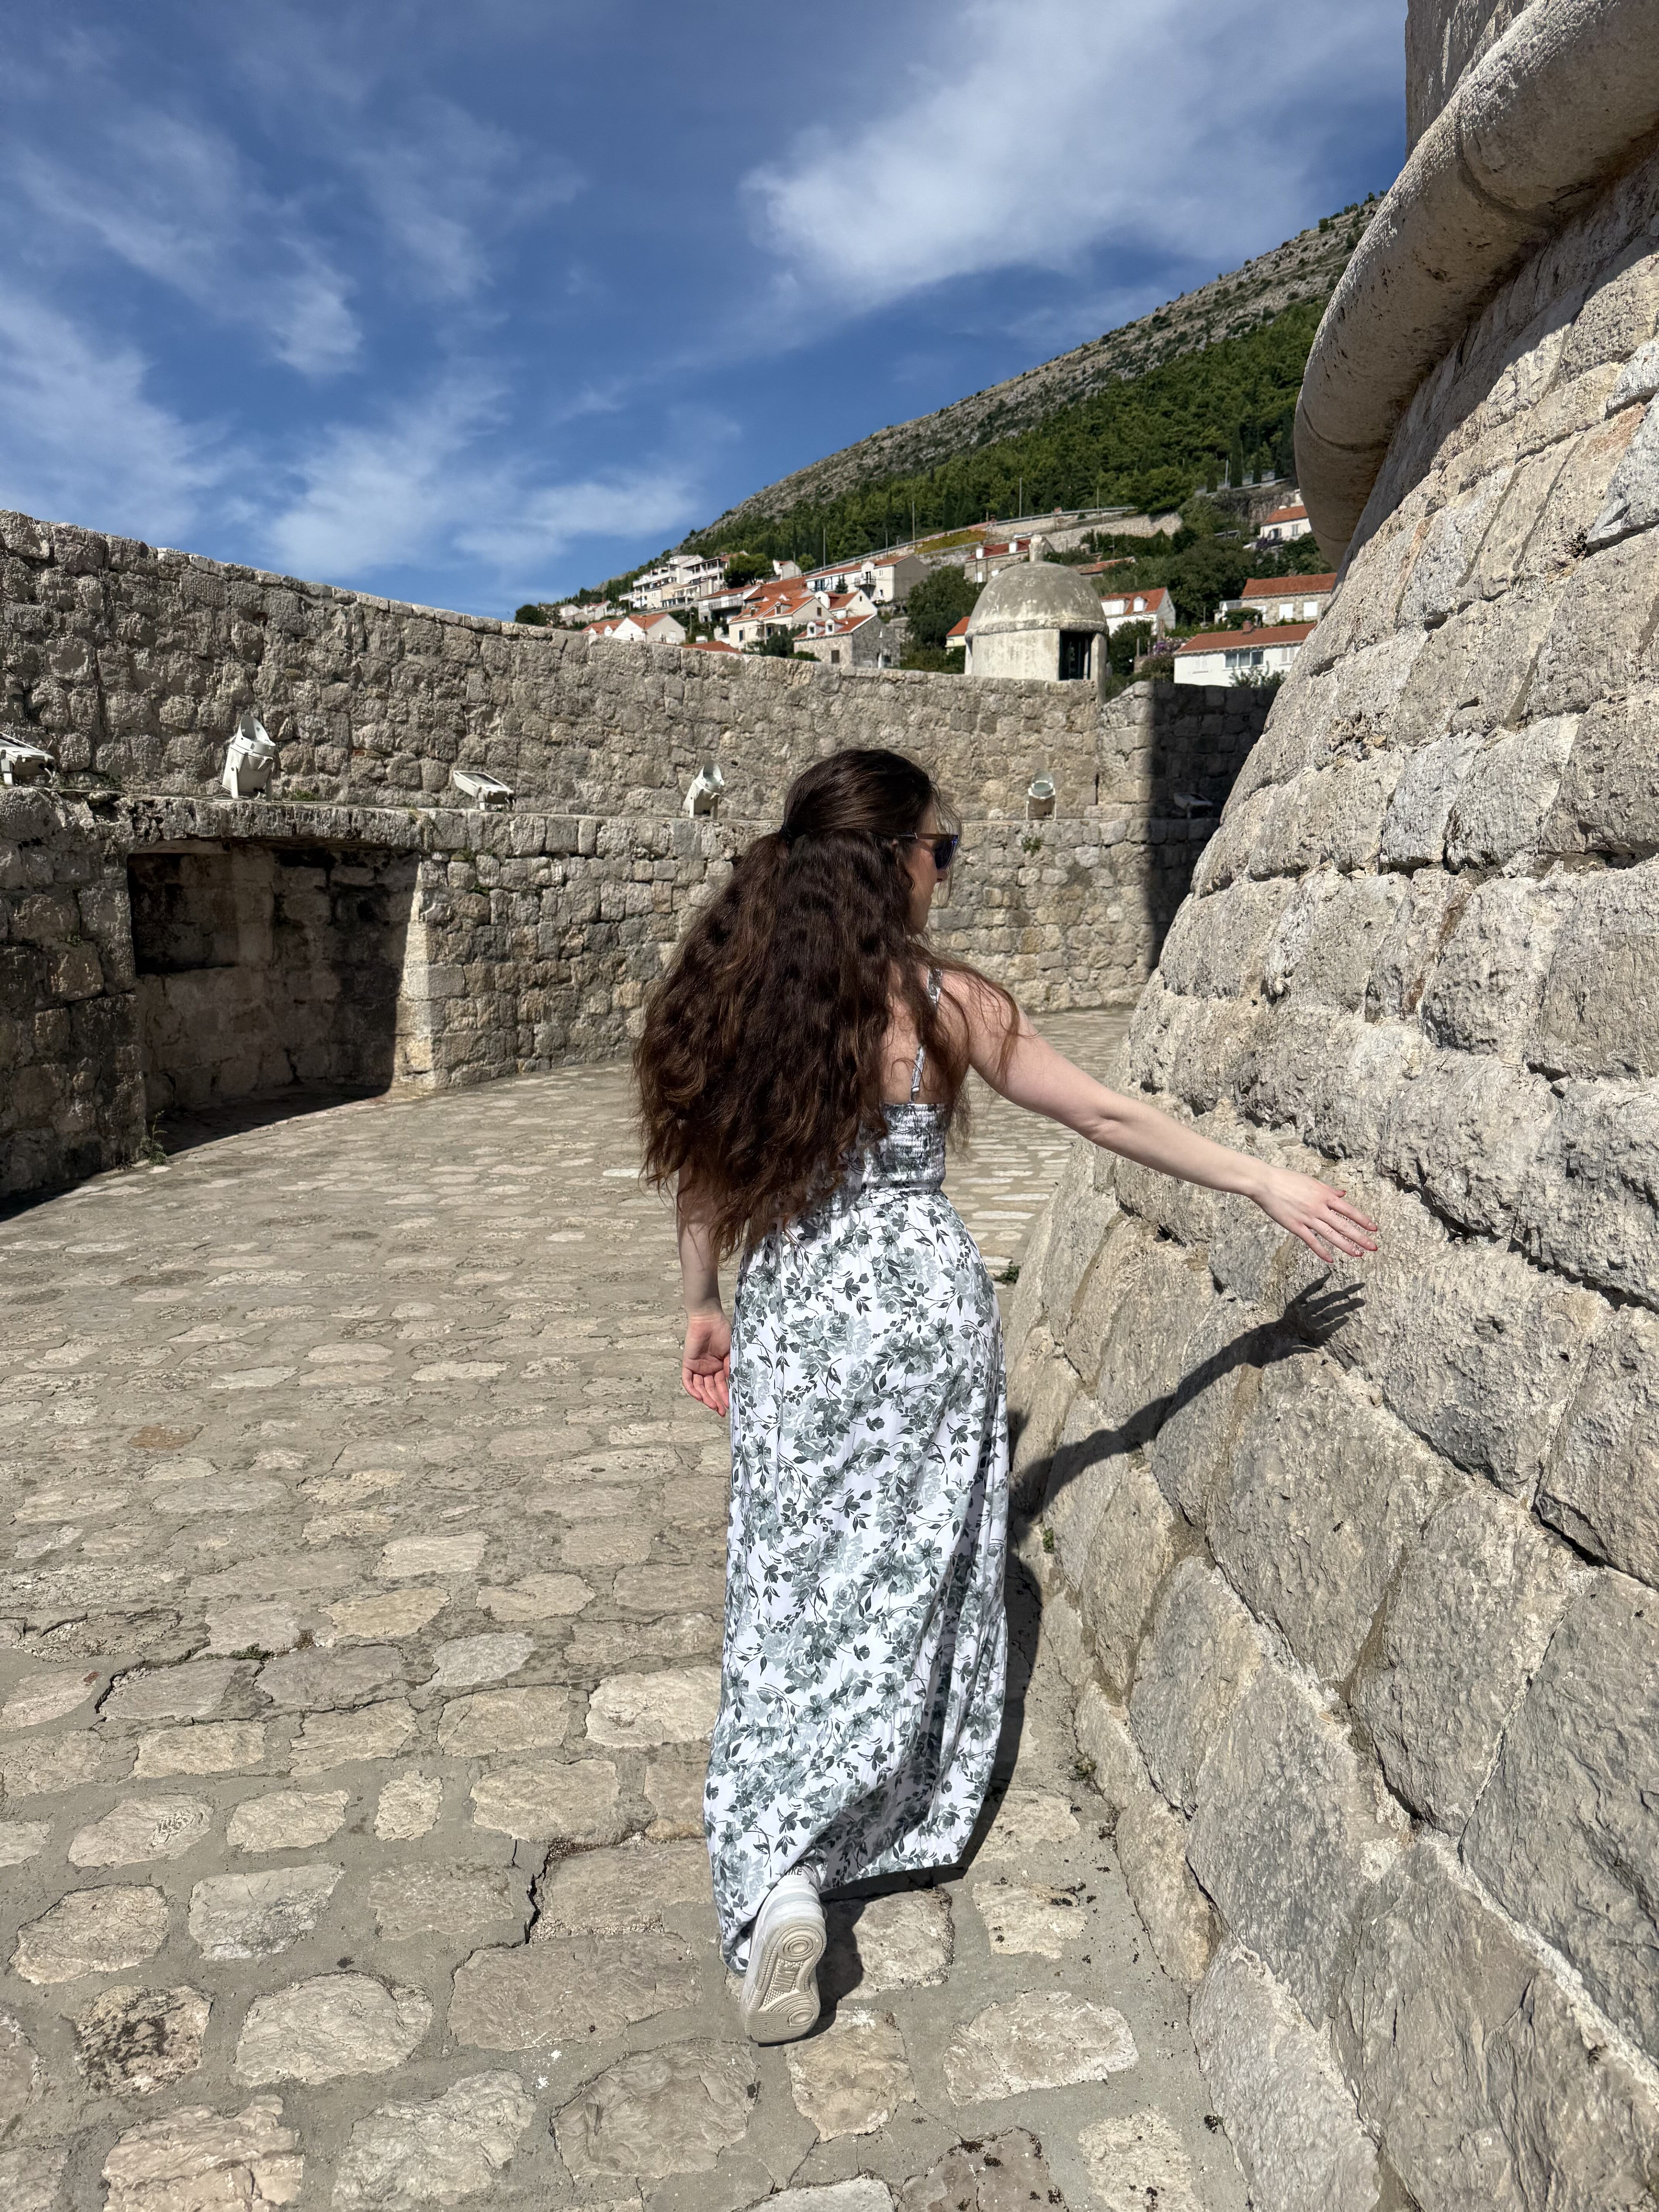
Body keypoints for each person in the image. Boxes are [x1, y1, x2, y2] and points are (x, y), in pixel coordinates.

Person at [633, 746, 1376, 2045]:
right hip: (924, 1312)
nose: (946, 871)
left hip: (803, 1316)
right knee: (913, 1575)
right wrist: (1259, 1180)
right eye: (943, 850)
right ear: (895, 862)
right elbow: (1101, 1116)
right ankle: (870, 1814)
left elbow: (702, 1176)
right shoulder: (941, 1004)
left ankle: (781, 1872)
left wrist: (703, 1300)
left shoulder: (739, 995)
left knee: (791, 1582)